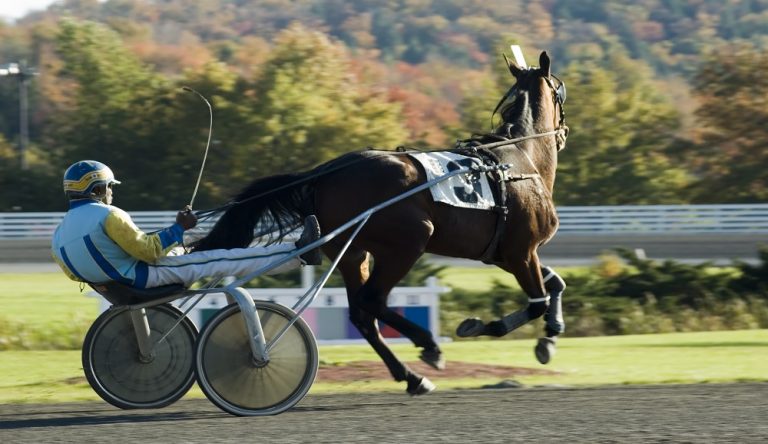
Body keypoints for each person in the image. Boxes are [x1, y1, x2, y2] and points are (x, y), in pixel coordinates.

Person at [51, 160, 322, 289]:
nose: (112, 192)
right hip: (143, 277)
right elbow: (148, 251)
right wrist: (179, 228)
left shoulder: (59, 234)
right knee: (220, 259)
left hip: (118, 286)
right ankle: (297, 254)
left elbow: (76, 274)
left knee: (195, 253)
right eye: (109, 187)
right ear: (98, 188)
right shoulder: (109, 215)